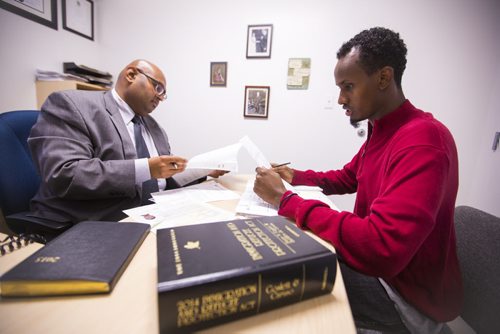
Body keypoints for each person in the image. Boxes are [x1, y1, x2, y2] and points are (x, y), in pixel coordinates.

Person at [253, 27, 463, 333]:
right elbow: (348, 177)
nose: (341, 98)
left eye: (348, 86)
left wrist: (287, 201)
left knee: (289, 277)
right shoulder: (384, 130)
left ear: (382, 78)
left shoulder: (422, 141)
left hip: (404, 295)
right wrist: (294, 176)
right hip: (386, 273)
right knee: (294, 251)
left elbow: (382, 248)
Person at [28, 59, 225, 225]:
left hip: (154, 216)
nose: (160, 97)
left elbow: (162, 179)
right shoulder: (72, 105)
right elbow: (66, 174)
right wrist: (146, 168)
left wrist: (201, 171)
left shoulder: (154, 127)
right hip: (95, 222)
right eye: (157, 87)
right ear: (131, 75)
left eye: (163, 93)